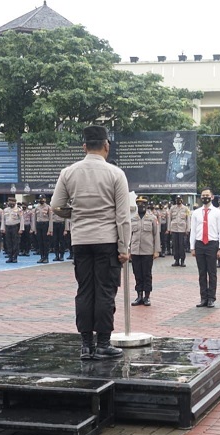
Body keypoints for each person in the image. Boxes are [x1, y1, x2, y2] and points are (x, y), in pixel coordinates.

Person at [51, 125, 130, 360]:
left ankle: (86, 345)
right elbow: (123, 216)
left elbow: (56, 205)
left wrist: (74, 214)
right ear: (106, 146)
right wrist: (124, 248)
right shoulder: (116, 174)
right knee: (105, 291)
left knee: (85, 290)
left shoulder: (68, 172)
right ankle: (103, 343)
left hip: (81, 241)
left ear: (84, 147)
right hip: (107, 240)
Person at [190, 189, 220, 308]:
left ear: (212, 197)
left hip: (212, 244)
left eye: (207, 195)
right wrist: (192, 247)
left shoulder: (218, 212)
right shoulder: (196, 213)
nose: (205, 197)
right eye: (203, 195)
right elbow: (193, 231)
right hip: (200, 244)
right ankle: (203, 298)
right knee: (202, 273)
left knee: (212, 272)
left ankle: (211, 298)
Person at [129, 197, 160, 306]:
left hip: (147, 251)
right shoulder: (133, 219)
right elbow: (129, 236)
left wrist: (156, 251)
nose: (141, 206)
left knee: (147, 274)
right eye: (139, 204)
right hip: (135, 251)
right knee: (137, 274)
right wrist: (128, 250)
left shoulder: (152, 218)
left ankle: (147, 296)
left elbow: (156, 235)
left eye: (143, 204)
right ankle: (139, 296)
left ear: (146, 206)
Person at [167, 195, 190, 267]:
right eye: (177, 199)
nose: (178, 200)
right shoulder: (172, 208)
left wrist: (188, 229)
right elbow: (169, 219)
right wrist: (169, 229)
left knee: (182, 245)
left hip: (182, 230)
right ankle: (176, 260)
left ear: (182, 200)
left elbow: (188, 219)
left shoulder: (186, 208)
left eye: (179, 199)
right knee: (175, 245)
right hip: (174, 229)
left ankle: (182, 260)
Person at [1, 197, 24, 263]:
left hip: (15, 227)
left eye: (12, 202)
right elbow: (3, 220)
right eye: (10, 202)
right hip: (8, 227)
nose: (11, 203)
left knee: (15, 243)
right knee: (8, 243)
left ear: (15, 202)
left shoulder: (18, 210)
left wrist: (21, 229)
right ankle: (10, 257)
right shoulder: (5, 210)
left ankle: (15, 257)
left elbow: (22, 219)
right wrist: (2, 228)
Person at [33, 195, 53, 263]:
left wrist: (50, 230)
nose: (41, 200)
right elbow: (34, 219)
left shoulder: (48, 207)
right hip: (39, 225)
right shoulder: (37, 207)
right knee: (40, 242)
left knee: (45, 242)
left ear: (45, 199)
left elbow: (50, 219)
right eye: (40, 199)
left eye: (42, 199)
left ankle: (46, 257)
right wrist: (35, 229)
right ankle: (42, 257)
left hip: (45, 225)